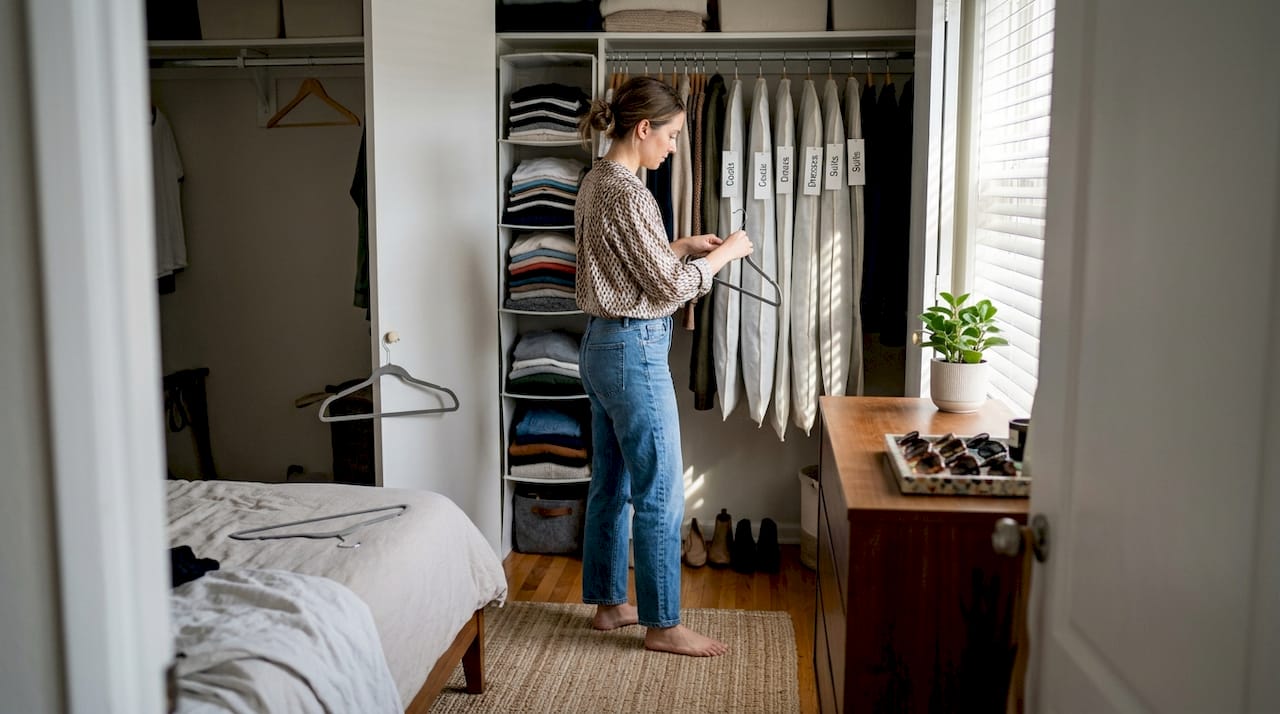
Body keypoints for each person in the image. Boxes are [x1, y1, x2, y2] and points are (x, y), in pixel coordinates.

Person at [574, 76, 753, 657]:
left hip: (601, 346)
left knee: (611, 484)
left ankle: (609, 604)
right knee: (660, 491)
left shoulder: (597, 180)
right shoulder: (630, 194)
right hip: (632, 351)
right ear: (644, 128)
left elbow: (626, 267)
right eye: (671, 135)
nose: (674, 148)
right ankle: (662, 624)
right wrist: (725, 256)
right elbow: (670, 290)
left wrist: (680, 246)